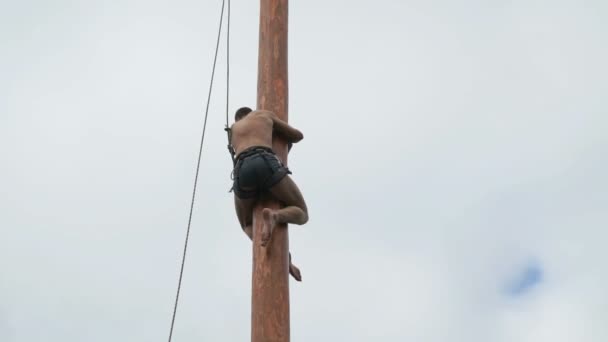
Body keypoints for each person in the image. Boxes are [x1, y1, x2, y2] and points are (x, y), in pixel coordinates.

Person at [229, 107, 308, 281]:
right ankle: (275, 215)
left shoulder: (233, 129)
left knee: (246, 224)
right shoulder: (262, 115)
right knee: (302, 212)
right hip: (264, 162)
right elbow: (297, 136)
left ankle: (283, 258)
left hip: (242, 171)